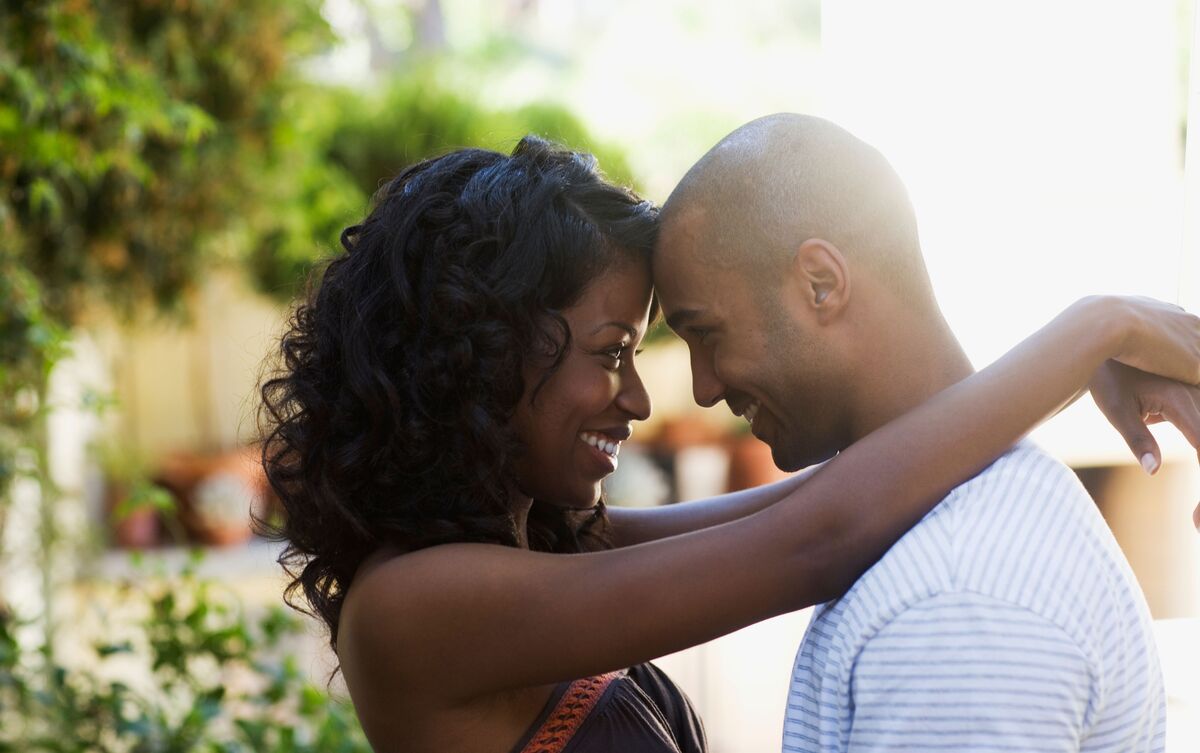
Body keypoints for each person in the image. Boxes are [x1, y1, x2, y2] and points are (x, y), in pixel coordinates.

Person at [259, 135, 1200, 753]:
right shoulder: (416, 607)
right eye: (613, 353)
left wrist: (1065, 365)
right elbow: (818, 537)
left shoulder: (542, 545)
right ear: (482, 355)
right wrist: (1095, 330)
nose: (644, 396)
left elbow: (820, 500)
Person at [653, 114, 1198, 752]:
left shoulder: (954, 605)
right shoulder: (948, 540)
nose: (703, 388)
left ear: (821, 283)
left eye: (708, 335)